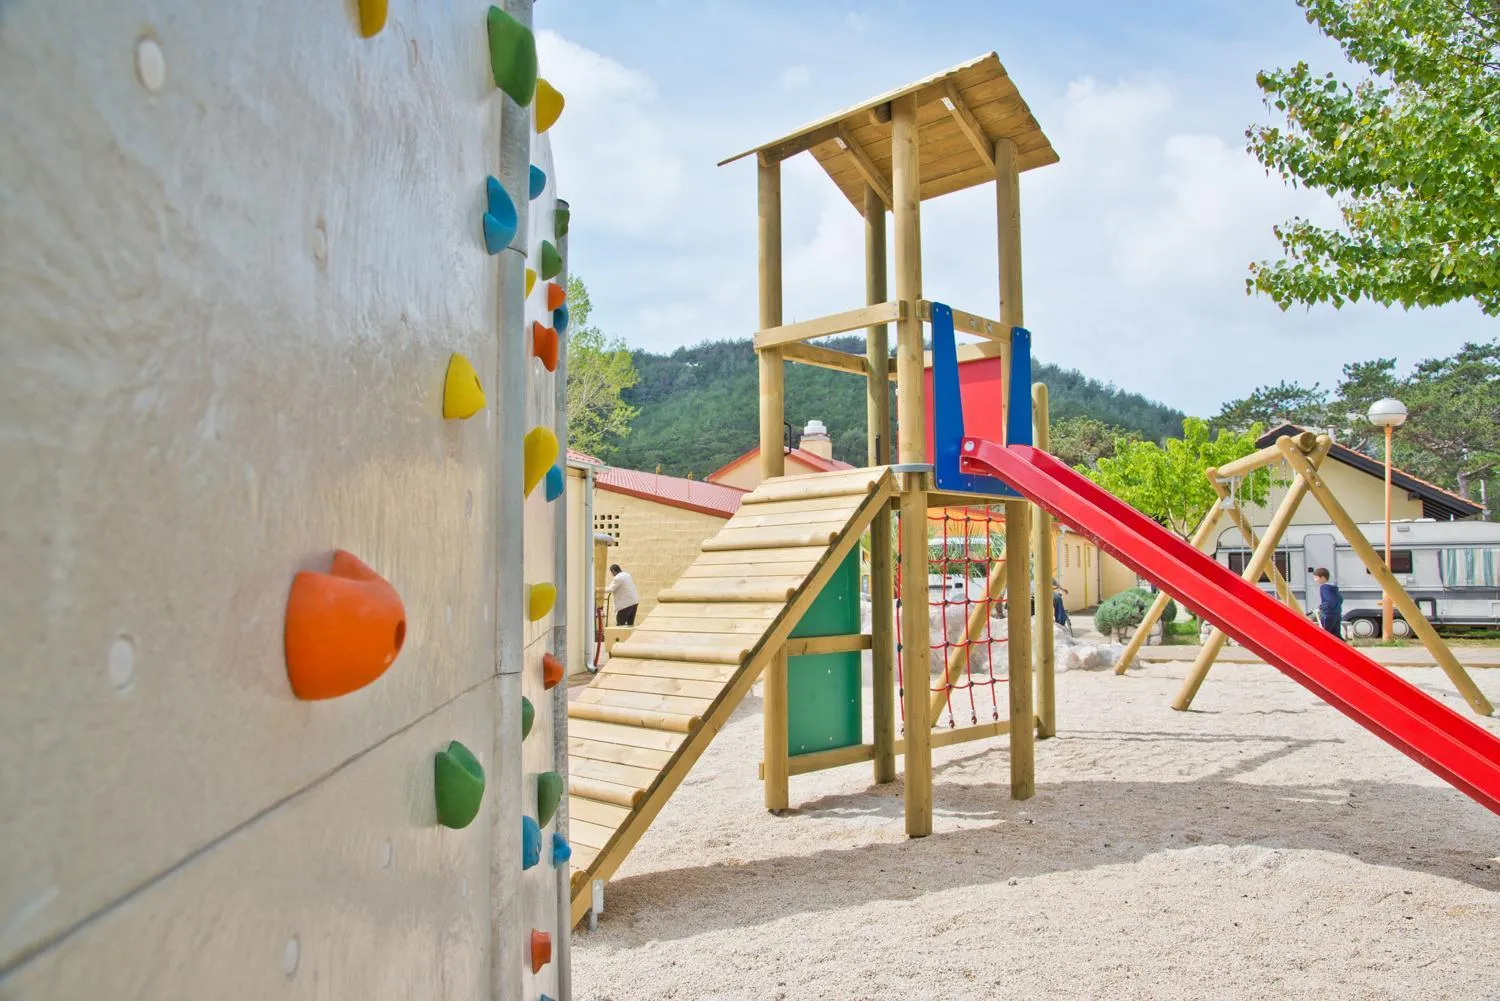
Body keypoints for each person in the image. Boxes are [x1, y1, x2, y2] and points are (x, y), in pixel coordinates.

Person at [1313, 567, 1343, 638]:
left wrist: (1321, 607)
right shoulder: (1334, 588)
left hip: (1328, 615)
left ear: (1322, 578)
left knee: (1325, 635)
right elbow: (1340, 599)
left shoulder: (1324, 587)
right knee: (1336, 635)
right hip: (1337, 614)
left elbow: (1329, 601)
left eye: (1316, 578)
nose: (1315, 580)